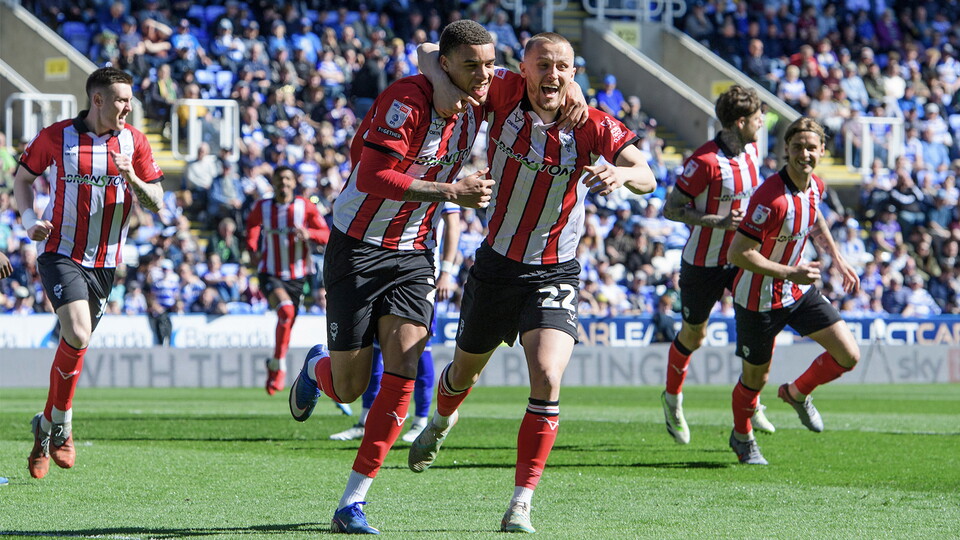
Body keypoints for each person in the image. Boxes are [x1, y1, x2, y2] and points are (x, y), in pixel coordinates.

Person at [285, 21, 585, 535]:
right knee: (351, 386)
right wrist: (449, 191)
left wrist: (574, 89)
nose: (486, 75)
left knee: (403, 370)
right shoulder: (406, 99)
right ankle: (317, 370)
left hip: (413, 255)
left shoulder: (491, 91)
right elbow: (372, 177)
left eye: (490, 64)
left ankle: (351, 504)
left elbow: (546, 81)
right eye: (472, 65)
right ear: (446, 64)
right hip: (357, 247)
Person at [410, 32, 656, 533]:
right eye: (543, 65)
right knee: (462, 374)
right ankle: (439, 421)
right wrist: (444, 85)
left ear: (573, 71)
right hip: (497, 266)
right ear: (522, 68)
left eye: (562, 67)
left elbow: (648, 173)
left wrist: (620, 175)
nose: (553, 75)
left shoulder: (592, 125)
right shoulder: (500, 91)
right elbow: (426, 54)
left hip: (555, 271)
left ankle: (521, 501)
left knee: (546, 376)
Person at [15, 67, 164, 479]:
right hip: (60, 251)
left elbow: (156, 200)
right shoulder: (56, 136)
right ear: (97, 100)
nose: (127, 107)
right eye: (120, 100)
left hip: (106, 262)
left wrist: (131, 175)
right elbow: (23, 179)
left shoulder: (134, 142)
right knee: (78, 333)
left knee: (74, 344)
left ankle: (46, 428)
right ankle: (63, 427)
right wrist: (29, 218)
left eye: (129, 100)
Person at [726, 118, 860, 465]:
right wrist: (791, 271)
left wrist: (838, 259)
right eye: (798, 147)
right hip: (757, 299)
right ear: (786, 149)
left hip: (796, 292)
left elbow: (814, 219)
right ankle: (742, 437)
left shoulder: (815, 186)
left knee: (848, 354)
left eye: (811, 147)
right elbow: (738, 253)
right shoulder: (769, 197)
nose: (804, 153)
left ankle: (797, 392)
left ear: (821, 152)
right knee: (754, 380)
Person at [660, 85, 775, 445]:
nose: (762, 122)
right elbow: (671, 209)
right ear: (740, 122)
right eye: (757, 118)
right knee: (695, 335)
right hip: (703, 262)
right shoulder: (705, 162)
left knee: (759, 329)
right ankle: (672, 399)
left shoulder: (753, 150)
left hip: (743, 258)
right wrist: (718, 221)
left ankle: (752, 401)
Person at [329, 209, 461, 442]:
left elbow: (453, 220)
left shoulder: (444, 174)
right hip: (377, 266)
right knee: (374, 349)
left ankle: (420, 420)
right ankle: (366, 419)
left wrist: (447, 271)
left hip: (419, 272)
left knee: (416, 350)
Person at [245, 166, 330, 395]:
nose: (283, 182)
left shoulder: (305, 207)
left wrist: (310, 234)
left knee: (288, 321)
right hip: (270, 272)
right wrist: (252, 247)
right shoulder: (263, 207)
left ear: (294, 183)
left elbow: (326, 234)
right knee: (286, 312)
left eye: (287, 179)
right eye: (279, 178)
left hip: (298, 275)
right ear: (273, 182)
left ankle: (274, 362)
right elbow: (252, 224)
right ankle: (280, 367)